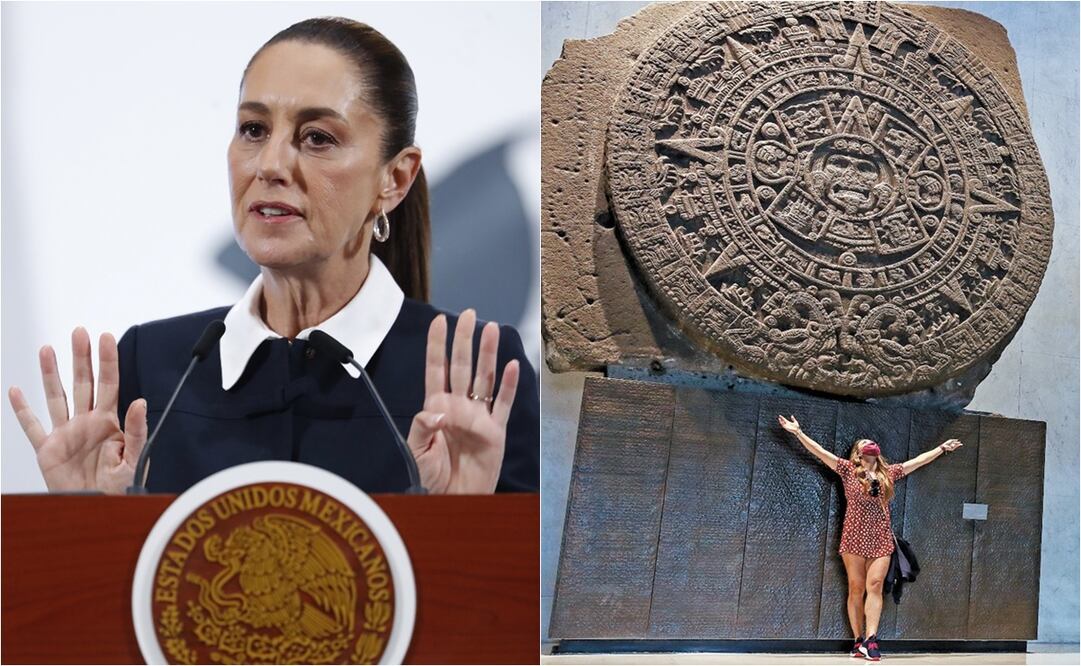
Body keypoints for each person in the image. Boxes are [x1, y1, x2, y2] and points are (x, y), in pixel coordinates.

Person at [7, 17, 538, 496]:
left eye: (317, 137)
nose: (271, 164)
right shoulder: (153, 367)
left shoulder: (470, 379)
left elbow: (539, 600)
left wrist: (466, 519)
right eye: (254, 130)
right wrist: (82, 521)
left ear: (394, 179)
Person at [777, 414, 962, 662]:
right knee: (856, 588)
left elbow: (916, 462)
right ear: (858, 452)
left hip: (880, 538)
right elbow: (820, 452)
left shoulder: (889, 473)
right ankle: (857, 640)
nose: (870, 444)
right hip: (853, 537)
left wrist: (941, 449)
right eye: (865, 442)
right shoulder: (848, 470)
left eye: (872, 442)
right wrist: (798, 433)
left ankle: (872, 639)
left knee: (874, 585)